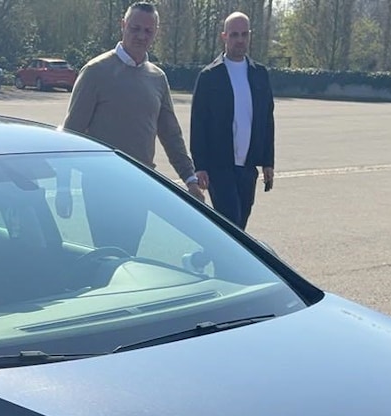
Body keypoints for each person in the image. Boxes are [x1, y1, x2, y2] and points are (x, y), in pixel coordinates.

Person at [63, 2, 203, 250]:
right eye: (135, 29)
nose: (141, 36)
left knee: (130, 254)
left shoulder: (157, 78)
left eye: (148, 31)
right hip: (101, 187)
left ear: (156, 32)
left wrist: (190, 178)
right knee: (108, 254)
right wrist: (64, 186)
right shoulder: (95, 72)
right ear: (123, 26)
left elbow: (171, 134)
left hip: (139, 184)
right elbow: (71, 134)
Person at [190, 12, 276, 229]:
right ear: (224, 36)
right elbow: (198, 124)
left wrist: (268, 162)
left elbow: (267, 119)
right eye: (234, 34)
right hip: (220, 165)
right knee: (231, 222)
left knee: (239, 227)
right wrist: (200, 166)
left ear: (250, 36)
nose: (240, 40)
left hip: (248, 167)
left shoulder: (260, 74)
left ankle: (206, 251)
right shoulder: (210, 76)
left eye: (244, 34)